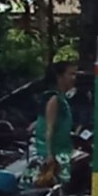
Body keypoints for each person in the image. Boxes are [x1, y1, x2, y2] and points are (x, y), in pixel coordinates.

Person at [29, 56, 79, 184]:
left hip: (62, 149)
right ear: (60, 77)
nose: (74, 78)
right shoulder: (54, 99)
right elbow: (49, 128)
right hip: (53, 153)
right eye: (71, 74)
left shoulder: (62, 99)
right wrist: (49, 154)